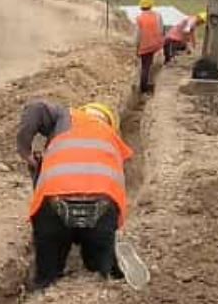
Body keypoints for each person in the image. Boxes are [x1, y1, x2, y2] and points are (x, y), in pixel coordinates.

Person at [17, 99, 133, 289]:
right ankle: (103, 270)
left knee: (47, 274)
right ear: (111, 124)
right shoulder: (114, 139)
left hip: (53, 203)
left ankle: (43, 289)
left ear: (84, 111)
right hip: (102, 207)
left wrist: (25, 150)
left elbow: (35, 109)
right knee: (99, 271)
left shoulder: (67, 116)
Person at [134, 0, 164, 94]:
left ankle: (143, 89)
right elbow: (161, 30)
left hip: (145, 46)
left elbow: (138, 36)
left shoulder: (139, 18)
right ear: (151, 5)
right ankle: (152, 85)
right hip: (157, 45)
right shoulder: (158, 15)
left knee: (145, 67)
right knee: (155, 66)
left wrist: (137, 49)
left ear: (141, 6)